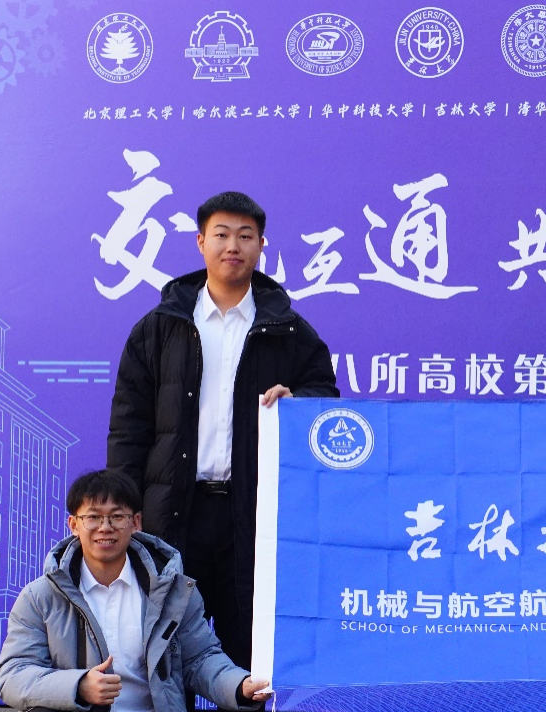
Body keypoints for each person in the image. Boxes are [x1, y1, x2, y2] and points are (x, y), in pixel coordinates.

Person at [107, 191, 339, 669]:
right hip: (174, 510)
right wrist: (126, 509)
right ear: (200, 242)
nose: (233, 246)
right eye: (222, 234)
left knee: (247, 652)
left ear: (261, 246)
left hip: (250, 516)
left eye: (246, 236)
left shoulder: (289, 330)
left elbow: (325, 402)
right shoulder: (159, 329)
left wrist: (298, 402)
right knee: (165, 650)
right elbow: (129, 427)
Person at [0, 470, 273, 711]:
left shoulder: (173, 591)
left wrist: (239, 685)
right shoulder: (40, 597)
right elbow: (13, 675)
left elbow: (200, 659)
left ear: (136, 522)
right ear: (74, 525)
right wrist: (78, 686)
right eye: (93, 517)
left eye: (117, 516)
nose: (105, 528)